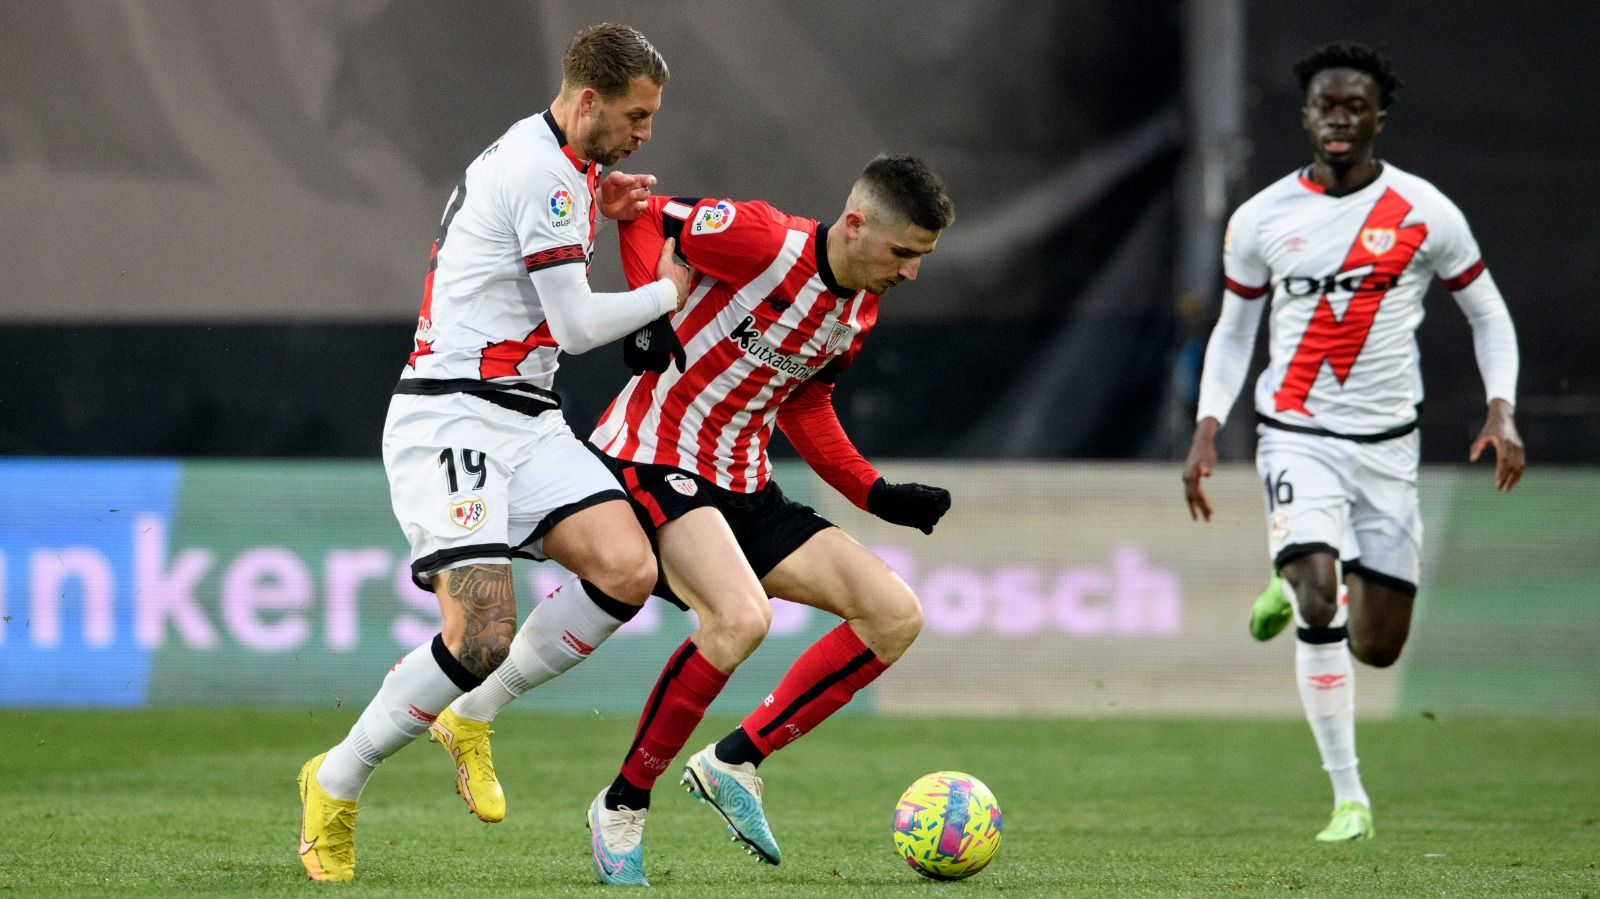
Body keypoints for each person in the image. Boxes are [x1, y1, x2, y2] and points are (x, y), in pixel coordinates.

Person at [444, 154, 956, 885]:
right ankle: (622, 804)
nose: (911, 272)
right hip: (654, 454)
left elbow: (805, 403)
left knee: (895, 615)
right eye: (904, 251)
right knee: (739, 617)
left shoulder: (857, 310)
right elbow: (648, 217)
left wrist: (875, 494)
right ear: (854, 224)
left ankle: (734, 762)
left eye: (921, 257)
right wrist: (653, 314)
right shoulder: (763, 238)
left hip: (744, 484)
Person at [295, 23, 692, 882]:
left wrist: (600, 198)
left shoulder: (563, 163)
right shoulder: (543, 172)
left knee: (629, 569)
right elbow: (578, 325)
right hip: (454, 416)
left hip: (527, 417)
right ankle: (334, 782)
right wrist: (667, 293)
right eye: (636, 114)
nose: (646, 132)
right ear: (588, 100)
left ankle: (471, 714)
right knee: (481, 633)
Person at [1182, 43, 1524, 843]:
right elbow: (1234, 331)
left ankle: (1291, 571)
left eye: (1354, 106)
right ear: (1306, 117)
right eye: (1324, 106)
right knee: (1317, 594)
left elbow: (1489, 313)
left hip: (1388, 447)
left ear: (1379, 117)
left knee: (1377, 646)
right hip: (1297, 434)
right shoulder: (1261, 218)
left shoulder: (1425, 212)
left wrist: (1501, 409)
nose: (1339, 119)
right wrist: (1207, 424)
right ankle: (1349, 799)